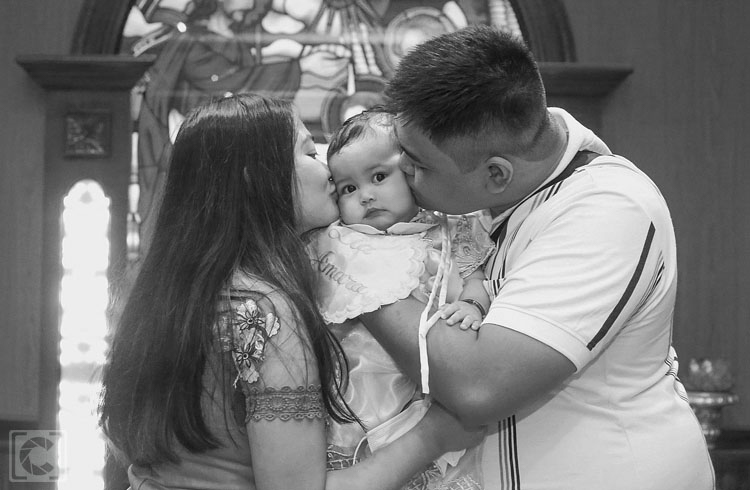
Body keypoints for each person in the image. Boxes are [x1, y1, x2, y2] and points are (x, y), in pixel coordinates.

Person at [354, 25, 715, 489]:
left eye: (418, 163)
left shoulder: (608, 206)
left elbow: (479, 385)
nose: (401, 170)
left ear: (496, 174)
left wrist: (355, 276)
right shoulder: (498, 195)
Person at [98, 93, 483, 490]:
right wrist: (434, 435)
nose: (329, 173)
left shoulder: (170, 293)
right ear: (257, 177)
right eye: (309, 153)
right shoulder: (263, 310)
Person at [307, 109, 494, 489]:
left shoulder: (448, 232)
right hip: (356, 388)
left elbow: (475, 278)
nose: (366, 195)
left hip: (432, 387)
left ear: (412, 170)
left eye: (379, 177)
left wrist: (471, 304)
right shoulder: (336, 241)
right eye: (348, 188)